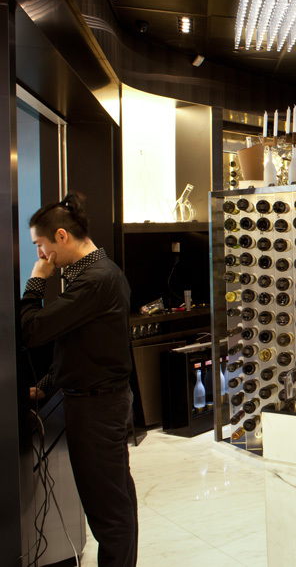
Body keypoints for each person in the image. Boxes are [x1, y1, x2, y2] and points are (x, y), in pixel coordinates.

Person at [21, 192, 138, 567]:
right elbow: (83, 346)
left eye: (40, 245)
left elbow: (32, 330)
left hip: (97, 408)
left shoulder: (95, 280)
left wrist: (36, 282)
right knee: (117, 502)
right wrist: (47, 386)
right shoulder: (97, 272)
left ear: (61, 236)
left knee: (109, 514)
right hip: (103, 401)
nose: (41, 255)